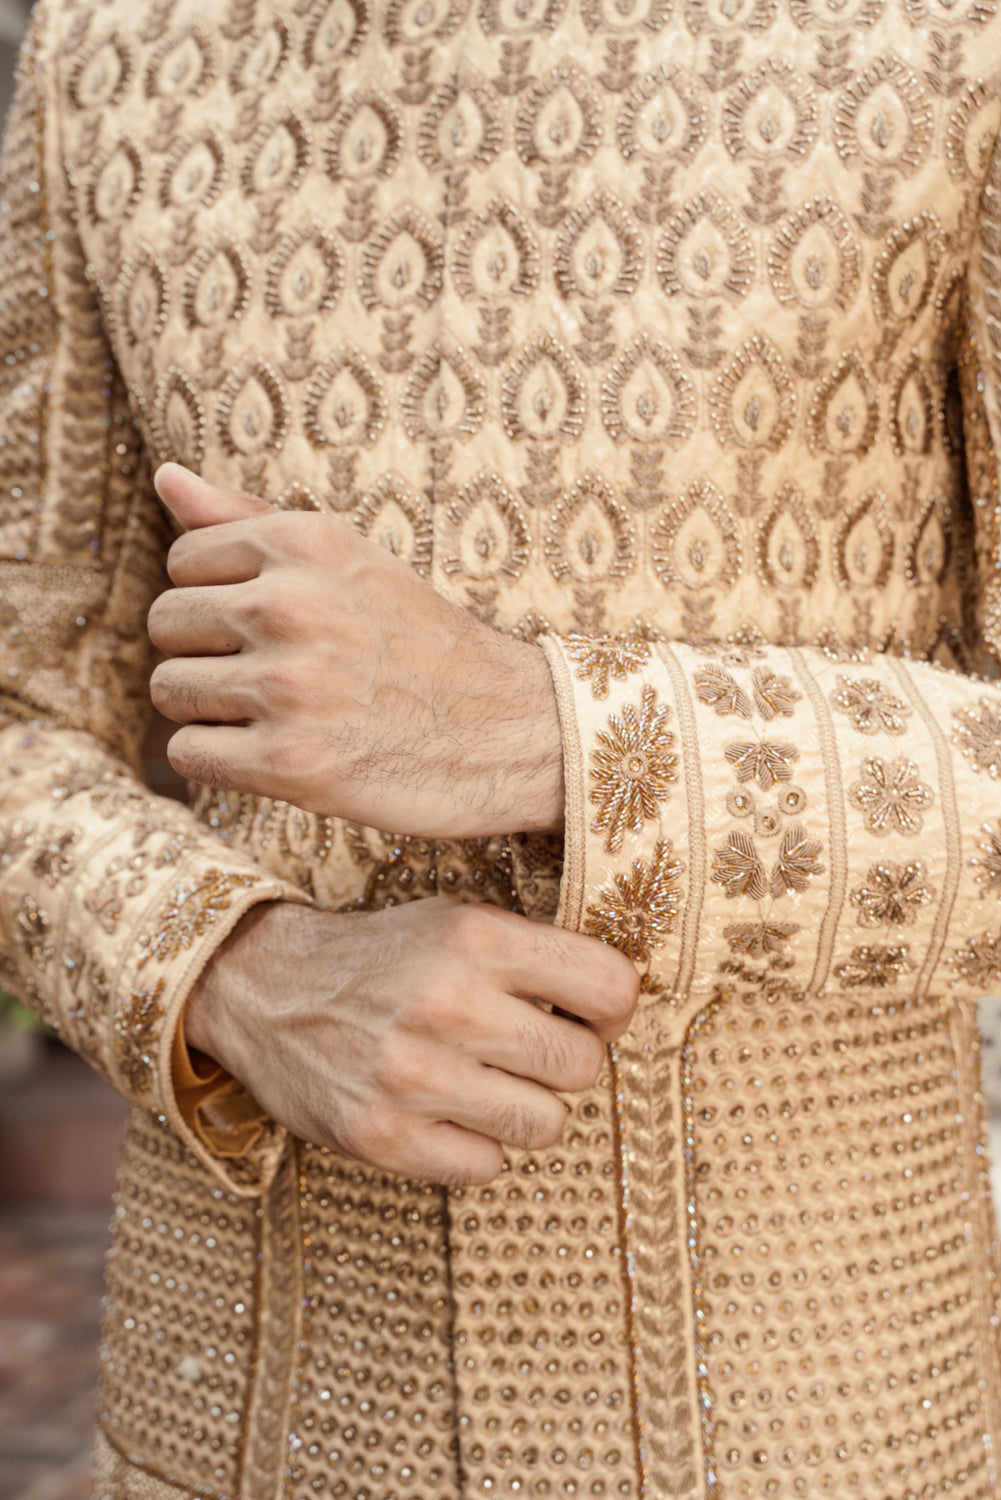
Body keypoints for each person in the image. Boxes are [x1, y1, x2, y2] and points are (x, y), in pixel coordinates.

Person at [3, 0, 1001, 1493]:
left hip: (825, 1413)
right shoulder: (107, 53)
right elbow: (21, 702)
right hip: (229, 1420)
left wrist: (541, 728)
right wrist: (232, 969)